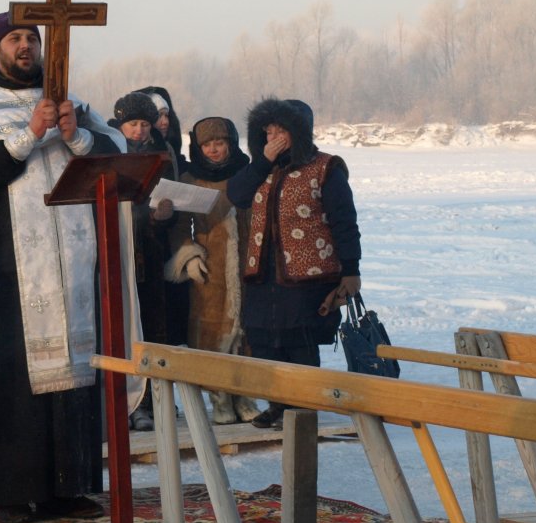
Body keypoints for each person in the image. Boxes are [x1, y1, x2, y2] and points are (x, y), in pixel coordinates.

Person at [0, 11, 133, 523]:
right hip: (10, 272)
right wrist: (28, 135)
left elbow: (116, 157)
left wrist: (76, 136)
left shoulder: (76, 107)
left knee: (75, 379)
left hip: (74, 269)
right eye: (15, 39)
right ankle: (16, 492)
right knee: (19, 386)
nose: (25, 47)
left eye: (32, 38)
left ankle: (69, 489)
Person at [227, 98, 362, 429]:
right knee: (265, 343)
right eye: (268, 129)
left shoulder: (326, 168)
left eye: (280, 129)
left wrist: (351, 269)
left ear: (297, 132)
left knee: (299, 344)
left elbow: (344, 221)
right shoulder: (261, 169)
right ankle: (278, 404)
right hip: (263, 273)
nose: (272, 135)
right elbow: (237, 195)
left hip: (308, 276)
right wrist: (264, 161)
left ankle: (302, 409)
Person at [165, 116, 260, 424]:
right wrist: (189, 257)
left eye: (220, 143)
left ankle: (246, 396)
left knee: (247, 334)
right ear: (198, 147)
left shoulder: (249, 173)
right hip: (211, 270)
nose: (214, 150)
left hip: (249, 266)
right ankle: (219, 399)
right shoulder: (191, 179)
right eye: (208, 144)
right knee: (212, 334)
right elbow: (179, 227)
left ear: (231, 144)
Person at [112, 91, 177, 431]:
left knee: (153, 327)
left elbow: (171, 194)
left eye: (144, 124)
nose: (138, 130)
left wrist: (163, 215)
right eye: (132, 124)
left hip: (149, 253)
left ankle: (155, 400)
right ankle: (125, 402)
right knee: (120, 326)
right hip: (115, 251)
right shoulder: (107, 149)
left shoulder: (161, 153)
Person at [136, 85, 186, 175]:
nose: (165, 122)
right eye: (159, 116)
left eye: (166, 115)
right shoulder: (129, 151)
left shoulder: (169, 149)